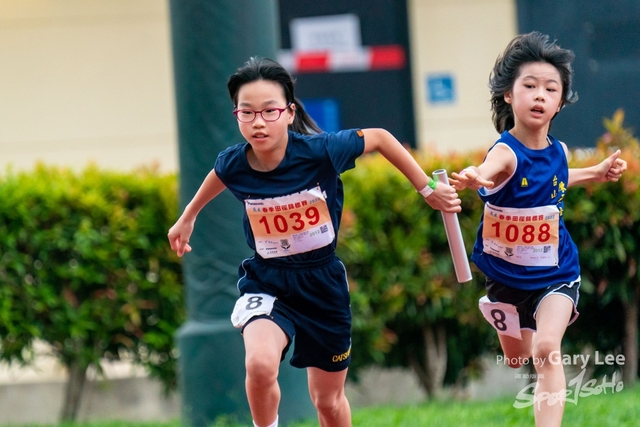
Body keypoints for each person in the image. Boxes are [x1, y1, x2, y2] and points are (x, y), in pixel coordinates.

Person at [167, 57, 461, 427]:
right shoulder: (235, 163)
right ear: (236, 116)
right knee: (259, 364)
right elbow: (218, 175)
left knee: (328, 402)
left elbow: (382, 138)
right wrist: (187, 216)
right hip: (267, 281)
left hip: (322, 286)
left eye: (269, 111)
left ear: (289, 113)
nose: (258, 122)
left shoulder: (321, 151)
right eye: (247, 113)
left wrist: (427, 187)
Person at [449, 32, 627, 427]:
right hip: (506, 277)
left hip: (557, 272)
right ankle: (499, 312)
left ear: (560, 102)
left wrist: (595, 173)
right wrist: (474, 176)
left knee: (546, 350)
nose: (540, 95)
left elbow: (559, 176)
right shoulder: (505, 151)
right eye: (529, 86)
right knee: (517, 357)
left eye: (550, 88)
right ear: (509, 95)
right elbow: (490, 171)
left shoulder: (559, 151)